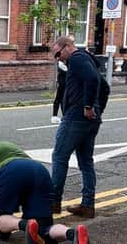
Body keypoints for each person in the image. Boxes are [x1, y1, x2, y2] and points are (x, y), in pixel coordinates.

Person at [0, 132, 90, 244]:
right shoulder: (7, 145)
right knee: (43, 230)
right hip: (40, 172)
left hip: (13, 170)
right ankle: (72, 234)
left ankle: (25, 225)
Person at [49, 36, 101, 219]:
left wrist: (88, 106)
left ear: (67, 47)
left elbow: (93, 79)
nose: (58, 58)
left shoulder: (77, 58)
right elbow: (105, 87)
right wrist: (96, 109)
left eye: (58, 53)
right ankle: (88, 205)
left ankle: (53, 202)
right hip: (88, 119)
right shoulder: (86, 59)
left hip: (76, 116)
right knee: (86, 161)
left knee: (59, 156)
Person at [52, 35, 74, 124]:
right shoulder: (63, 59)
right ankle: (54, 115)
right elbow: (64, 68)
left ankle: (65, 115)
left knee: (64, 98)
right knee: (59, 98)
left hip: (66, 80)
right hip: (62, 80)